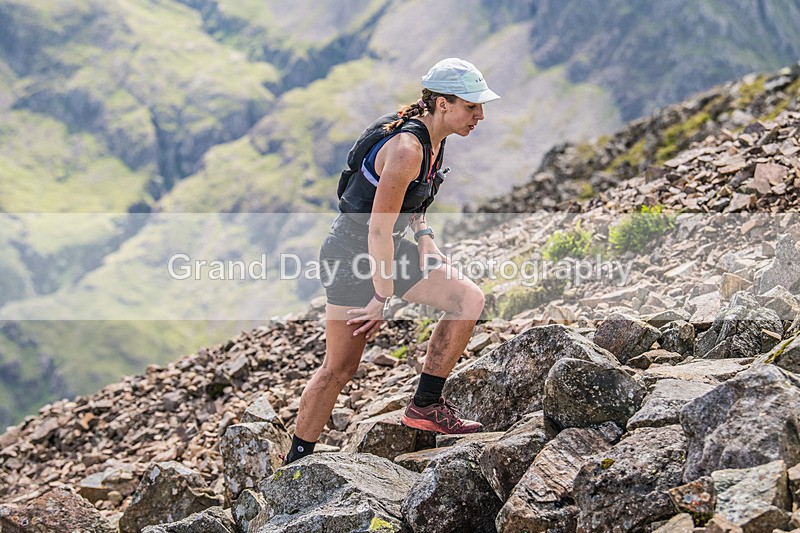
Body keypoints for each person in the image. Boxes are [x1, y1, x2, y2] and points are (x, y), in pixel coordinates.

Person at [284, 58, 500, 465]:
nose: (480, 115)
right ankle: (295, 463)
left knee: (467, 299)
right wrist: (381, 297)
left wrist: (424, 238)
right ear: (442, 103)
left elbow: (413, 201)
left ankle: (426, 405)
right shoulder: (406, 149)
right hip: (351, 254)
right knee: (340, 369)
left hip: (387, 248)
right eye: (472, 106)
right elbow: (377, 231)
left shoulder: (437, 136)